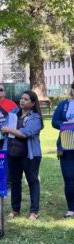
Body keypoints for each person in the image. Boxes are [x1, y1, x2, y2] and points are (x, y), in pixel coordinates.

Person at [1, 90, 43, 220]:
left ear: (32, 103)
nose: (22, 101)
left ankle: (34, 211)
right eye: (21, 98)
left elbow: (27, 132)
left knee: (33, 181)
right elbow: (4, 127)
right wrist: (5, 129)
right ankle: (15, 209)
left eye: (26, 99)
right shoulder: (14, 112)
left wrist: (9, 130)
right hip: (12, 152)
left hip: (29, 155)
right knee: (14, 182)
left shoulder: (36, 117)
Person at [52, 81, 74, 218]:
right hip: (66, 146)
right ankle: (71, 208)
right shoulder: (64, 105)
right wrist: (65, 125)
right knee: (69, 178)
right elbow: (54, 121)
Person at [0, 83, 17, 150]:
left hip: (7, 136)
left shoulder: (11, 104)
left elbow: (16, 119)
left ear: (4, 93)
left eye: (1, 89)